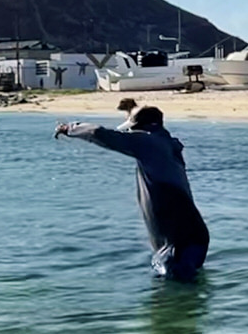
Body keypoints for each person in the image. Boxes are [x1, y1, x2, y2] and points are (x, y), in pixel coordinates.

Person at [55, 105, 210, 281]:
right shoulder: (167, 145)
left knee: (174, 294)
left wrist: (69, 128)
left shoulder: (148, 143)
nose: (130, 133)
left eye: (132, 129)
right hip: (192, 238)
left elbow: (99, 133)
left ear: (143, 128)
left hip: (178, 243)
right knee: (183, 289)